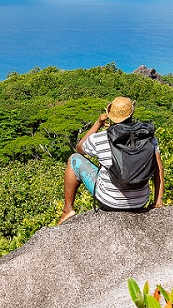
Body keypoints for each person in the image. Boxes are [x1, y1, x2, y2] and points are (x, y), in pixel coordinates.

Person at [56, 96, 164, 225]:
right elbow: (159, 168)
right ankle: (152, 199)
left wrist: (97, 124)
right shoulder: (147, 136)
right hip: (140, 202)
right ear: (131, 114)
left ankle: (67, 210)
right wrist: (158, 201)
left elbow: (79, 148)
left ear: (110, 116)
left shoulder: (100, 138)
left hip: (110, 201)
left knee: (74, 159)